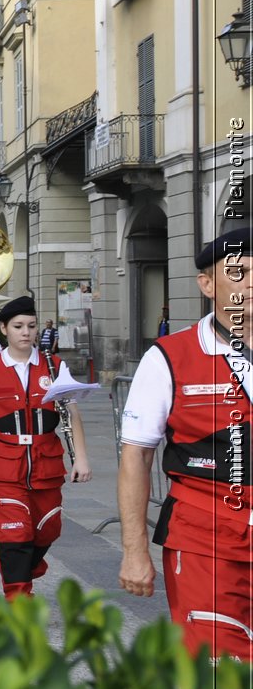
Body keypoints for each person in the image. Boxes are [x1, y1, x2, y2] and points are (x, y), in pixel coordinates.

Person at [117, 230, 251, 660]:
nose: (250, 284)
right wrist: (135, 551)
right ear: (207, 284)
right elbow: (135, 456)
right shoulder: (169, 357)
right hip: (205, 542)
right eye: (239, 273)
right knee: (219, 687)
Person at [0, 295, 90, 598]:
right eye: (18, 326)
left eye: (31, 326)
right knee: (13, 533)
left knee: (48, 528)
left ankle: (25, 569)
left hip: (46, 461)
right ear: (4, 329)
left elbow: (72, 413)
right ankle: (18, 596)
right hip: (4, 465)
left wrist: (81, 459)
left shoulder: (55, 365)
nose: (26, 332)